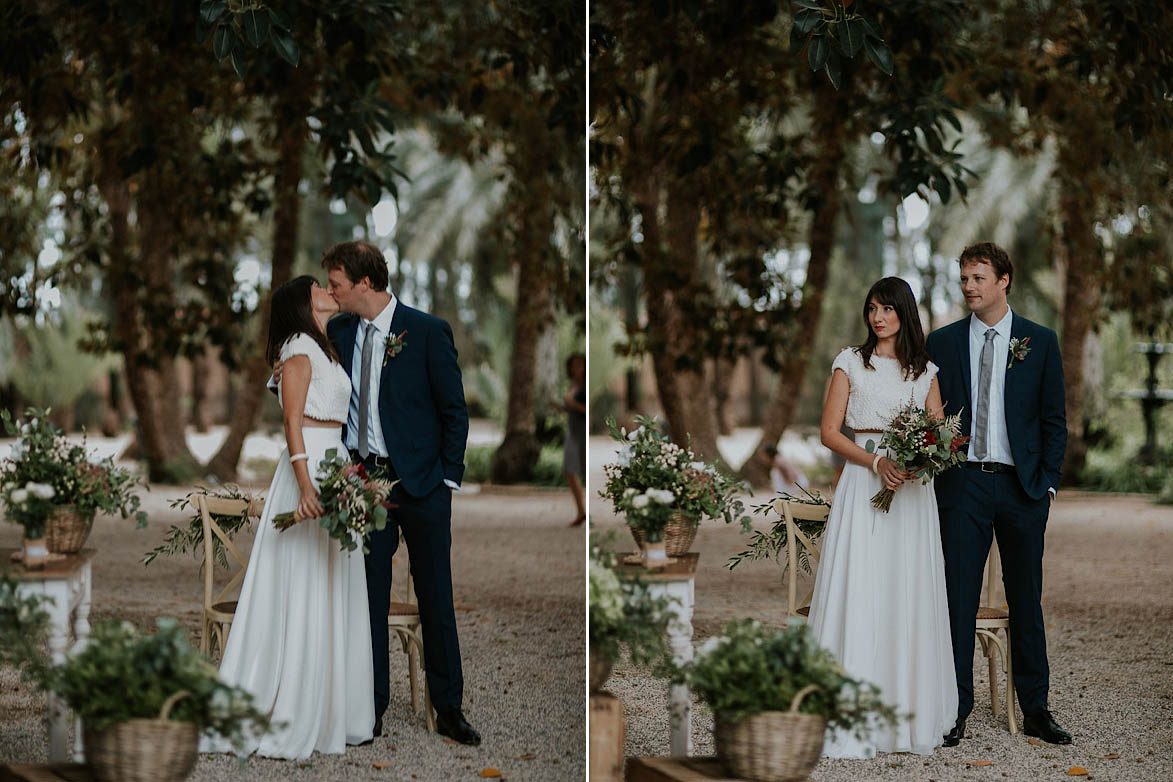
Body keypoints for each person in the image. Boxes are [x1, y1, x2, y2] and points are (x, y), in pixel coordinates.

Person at [202, 275, 374, 758]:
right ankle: (294, 706)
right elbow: (291, 422)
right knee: (303, 583)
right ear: (303, 303)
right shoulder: (299, 348)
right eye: (320, 287)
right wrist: (305, 486)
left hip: (333, 461)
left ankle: (332, 707)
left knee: (330, 581)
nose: (329, 291)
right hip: (309, 468)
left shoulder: (324, 346)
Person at [320, 240, 480, 746]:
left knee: (436, 595)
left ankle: (448, 708)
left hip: (425, 485)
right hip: (365, 486)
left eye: (337, 282)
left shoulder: (429, 332)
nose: (331, 291)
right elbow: (310, 374)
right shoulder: (340, 330)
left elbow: (454, 411)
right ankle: (371, 709)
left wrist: (446, 478)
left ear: (365, 283)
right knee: (367, 597)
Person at [926, 243, 1070, 747]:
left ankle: (1036, 708)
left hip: (1022, 487)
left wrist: (1047, 483)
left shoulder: (1039, 340)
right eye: (964, 277)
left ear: (1004, 280)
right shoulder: (940, 343)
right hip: (961, 484)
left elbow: (1054, 419)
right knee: (957, 598)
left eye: (979, 277)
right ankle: (955, 707)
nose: (969, 286)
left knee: (1026, 599)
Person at [807, 276, 957, 758]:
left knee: (904, 591)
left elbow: (939, 436)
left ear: (904, 313)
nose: (878, 317)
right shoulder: (851, 362)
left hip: (911, 497)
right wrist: (875, 462)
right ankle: (852, 712)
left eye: (887, 309)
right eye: (872, 307)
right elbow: (830, 431)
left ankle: (905, 715)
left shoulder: (925, 372)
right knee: (862, 586)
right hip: (861, 481)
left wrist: (916, 462)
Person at [563, 352, 586, 526]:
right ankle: (581, 510)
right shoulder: (573, 385)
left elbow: (586, 410)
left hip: (581, 433)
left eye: (580, 364)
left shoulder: (584, 387)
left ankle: (585, 514)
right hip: (572, 432)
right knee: (569, 471)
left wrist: (572, 404)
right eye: (574, 364)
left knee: (583, 472)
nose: (576, 368)